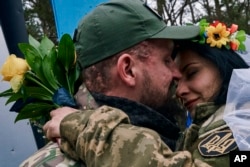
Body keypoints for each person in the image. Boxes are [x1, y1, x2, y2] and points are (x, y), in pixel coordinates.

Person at [20, 0, 211, 166]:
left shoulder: (164, 139)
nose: (176, 74)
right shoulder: (54, 163)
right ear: (128, 69)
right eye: (167, 59)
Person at [173, 22, 249, 166]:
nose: (179, 91)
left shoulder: (237, 125)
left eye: (191, 73)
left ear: (223, 66)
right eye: (176, 83)